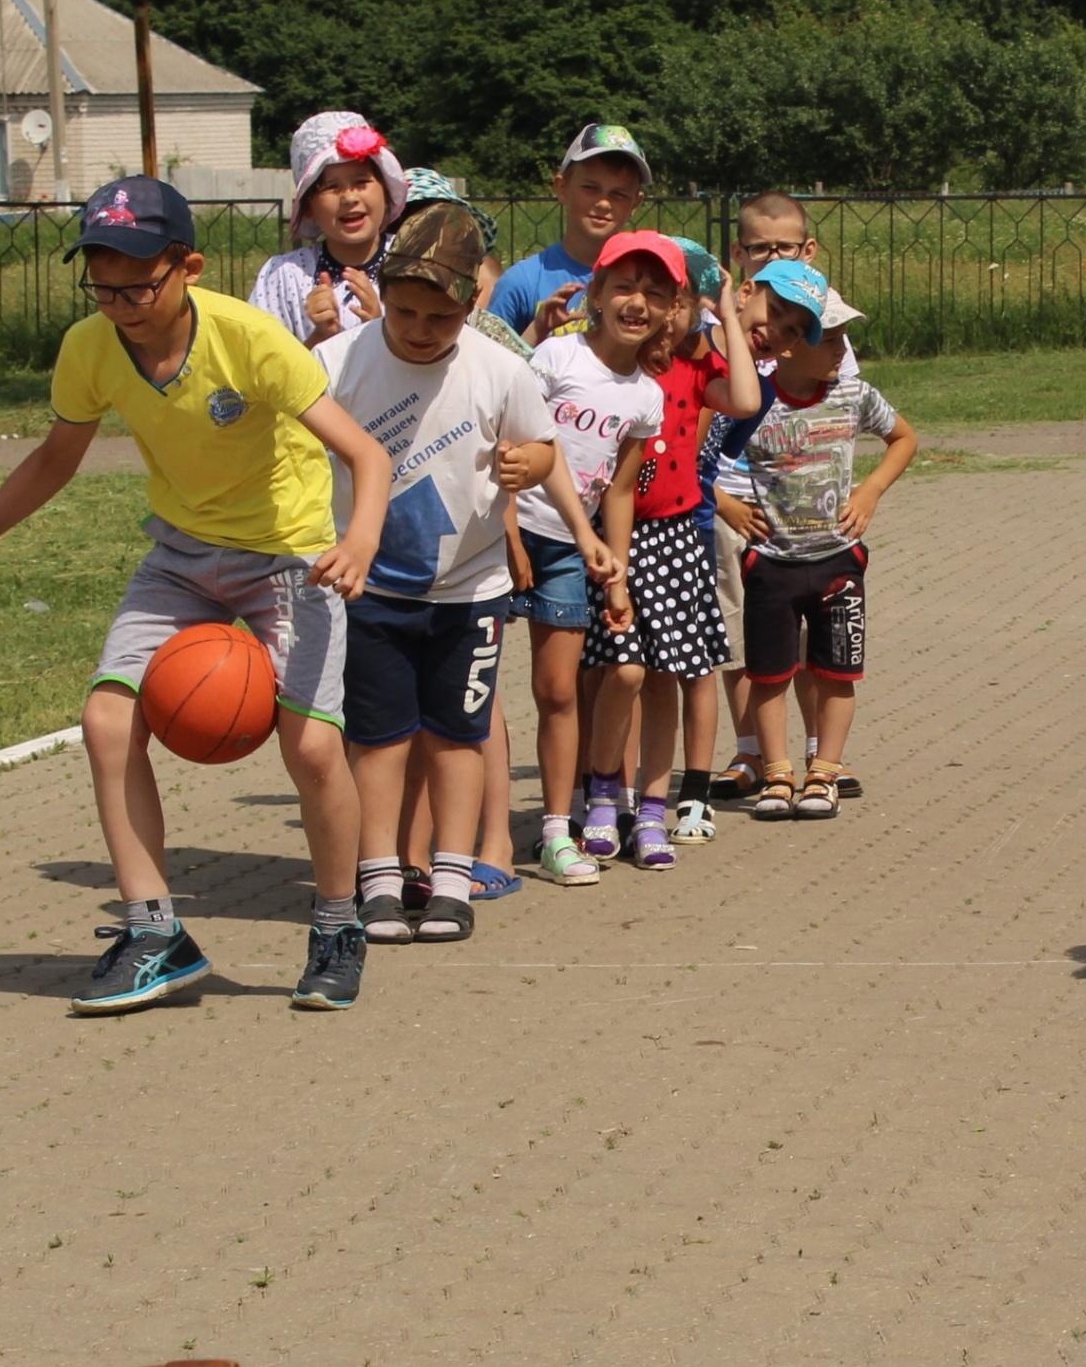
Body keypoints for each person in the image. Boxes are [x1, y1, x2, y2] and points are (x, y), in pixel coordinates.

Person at [0, 177, 393, 1012]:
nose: (122, 302)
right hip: (179, 556)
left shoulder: (251, 340)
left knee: (314, 750)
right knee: (106, 719)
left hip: (287, 555)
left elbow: (368, 457)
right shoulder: (92, 346)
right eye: (103, 284)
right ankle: (153, 932)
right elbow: (56, 458)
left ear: (187, 268)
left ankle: (335, 923)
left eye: (138, 282)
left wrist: (356, 542)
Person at [314, 201, 584, 944]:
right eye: (404, 312)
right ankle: (377, 879)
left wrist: (530, 463)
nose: (420, 330)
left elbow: (544, 450)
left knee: (458, 733)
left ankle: (452, 878)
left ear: (471, 304)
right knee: (378, 736)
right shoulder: (339, 362)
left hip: (471, 590)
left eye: (440, 317)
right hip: (373, 587)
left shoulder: (501, 368)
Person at [573, 234, 761, 867]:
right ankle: (604, 794)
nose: (659, 310)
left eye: (670, 298)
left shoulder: (693, 365)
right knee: (620, 670)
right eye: (641, 294)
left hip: (679, 537)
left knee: (665, 679)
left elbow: (746, 399)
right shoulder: (616, 365)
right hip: (617, 534)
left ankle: (652, 807)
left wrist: (728, 314)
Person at [511, 229, 678, 884]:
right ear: (597, 293)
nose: (638, 302)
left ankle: (557, 829)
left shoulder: (646, 395)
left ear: (669, 310)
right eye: (626, 287)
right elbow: (506, 438)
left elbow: (618, 489)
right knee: (470, 688)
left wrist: (618, 575)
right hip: (503, 532)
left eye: (655, 293)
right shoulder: (555, 357)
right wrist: (501, 531)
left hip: (568, 547)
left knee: (557, 690)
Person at [735, 265, 919, 821]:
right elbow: (697, 464)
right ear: (791, 348)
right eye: (831, 338)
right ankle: (777, 773)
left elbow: (904, 438)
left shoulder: (854, 394)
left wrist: (870, 491)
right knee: (768, 674)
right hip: (772, 563)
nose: (843, 349)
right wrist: (727, 508)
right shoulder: (750, 402)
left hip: (838, 559)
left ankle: (825, 771)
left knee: (837, 673)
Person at [699, 192, 865, 802]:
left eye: (785, 248)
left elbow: (842, 419)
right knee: (747, 637)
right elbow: (699, 436)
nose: (772, 257)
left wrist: (851, 495)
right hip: (737, 506)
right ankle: (752, 756)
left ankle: (822, 754)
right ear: (739, 256)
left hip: (803, 514)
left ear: (808, 251)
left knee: (810, 644)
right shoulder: (719, 335)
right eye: (760, 248)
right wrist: (720, 500)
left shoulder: (822, 330)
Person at [250, 111, 409, 347]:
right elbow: (261, 369)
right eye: (331, 187)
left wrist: (383, 331)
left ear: (386, 191)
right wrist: (318, 340)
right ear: (310, 207)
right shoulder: (283, 276)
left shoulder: (414, 261)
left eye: (361, 182)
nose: (349, 197)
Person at [487, 123, 650, 346]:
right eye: (590, 188)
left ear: (636, 202)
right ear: (562, 187)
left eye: (618, 194)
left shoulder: (651, 283)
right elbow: (490, 372)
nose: (603, 203)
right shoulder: (521, 283)